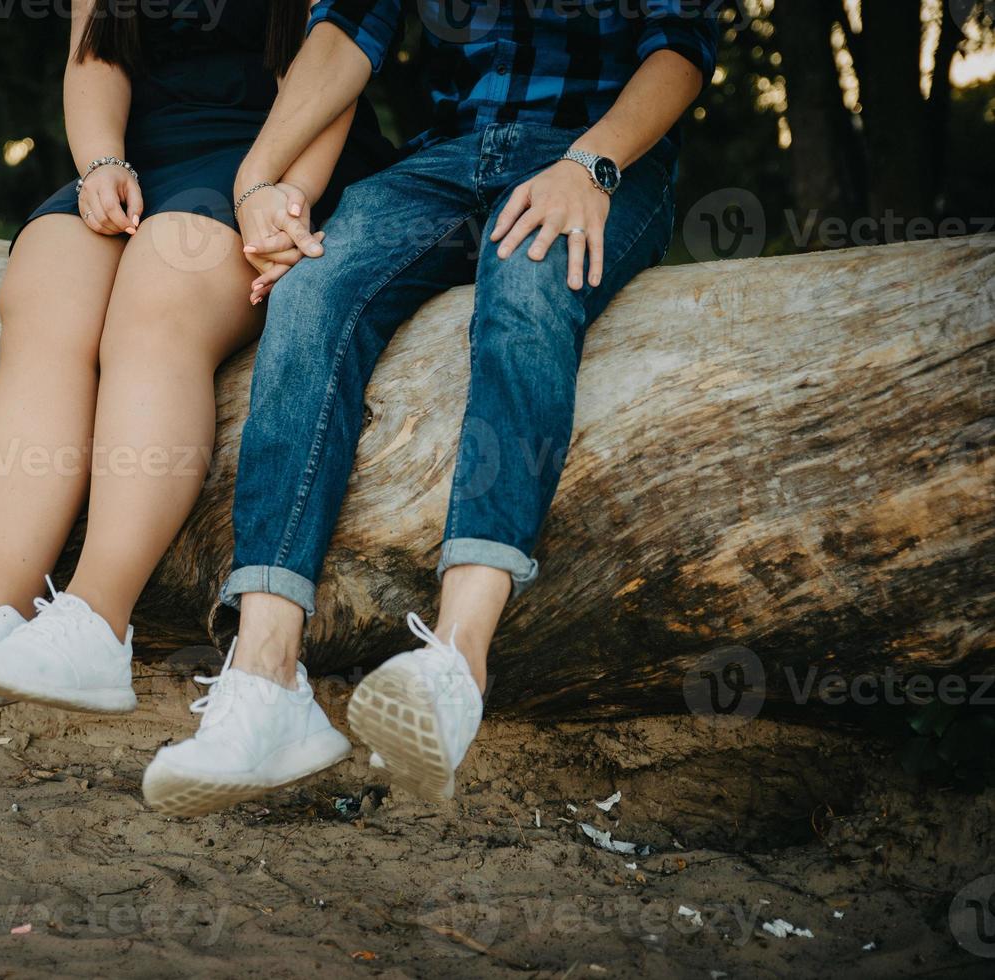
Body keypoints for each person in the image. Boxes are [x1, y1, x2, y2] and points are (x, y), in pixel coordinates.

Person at [142, 0, 722, 814]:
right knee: (307, 292)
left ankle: (456, 661)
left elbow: (682, 48)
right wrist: (257, 178)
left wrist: (590, 166)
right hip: (444, 162)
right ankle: (265, 680)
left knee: (526, 281)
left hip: (597, 158)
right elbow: (348, 31)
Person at [0, 0, 393, 727]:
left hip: (273, 156)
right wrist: (101, 164)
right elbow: (97, 55)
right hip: (146, 153)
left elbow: (334, 69)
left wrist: (289, 198)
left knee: (159, 293)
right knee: (43, 287)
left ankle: (98, 623)